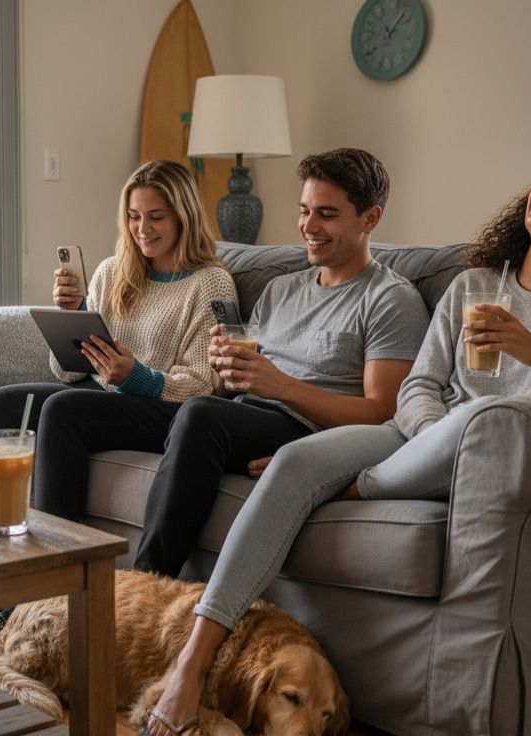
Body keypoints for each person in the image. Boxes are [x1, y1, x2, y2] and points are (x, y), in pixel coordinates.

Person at [141, 141, 531, 736]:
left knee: (482, 419)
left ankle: (363, 485)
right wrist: (429, 432)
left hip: (495, 449)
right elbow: (418, 386)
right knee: (297, 463)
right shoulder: (475, 284)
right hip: (418, 438)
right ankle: (191, 665)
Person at [0, 159, 235, 655]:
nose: (142, 229)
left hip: (170, 412)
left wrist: (139, 378)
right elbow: (67, 372)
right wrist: (71, 320)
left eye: (157, 217)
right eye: (133, 216)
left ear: (184, 217)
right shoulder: (113, 271)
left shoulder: (209, 284)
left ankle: (47, 596)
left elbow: (205, 387)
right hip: (109, 396)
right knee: (0, 405)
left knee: (64, 412)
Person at [133, 147, 428, 579]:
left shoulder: (390, 299)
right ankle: (33, 594)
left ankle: (145, 585)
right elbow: (242, 383)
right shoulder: (280, 289)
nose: (308, 227)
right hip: (244, 418)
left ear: (370, 219)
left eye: (326, 214)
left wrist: (279, 387)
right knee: (75, 412)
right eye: (305, 210)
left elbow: (383, 412)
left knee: (199, 417)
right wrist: (228, 366)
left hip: (308, 428)